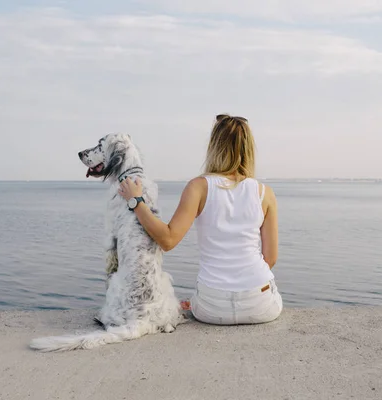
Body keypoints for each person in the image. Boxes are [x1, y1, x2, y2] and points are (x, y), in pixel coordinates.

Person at [118, 114, 282, 325]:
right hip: (261, 305)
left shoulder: (199, 187)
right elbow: (271, 258)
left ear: (214, 146)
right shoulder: (265, 193)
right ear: (249, 148)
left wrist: (136, 201)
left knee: (199, 300)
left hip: (212, 308)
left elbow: (168, 240)